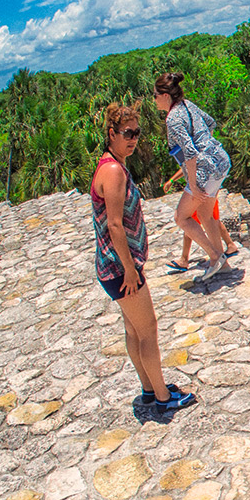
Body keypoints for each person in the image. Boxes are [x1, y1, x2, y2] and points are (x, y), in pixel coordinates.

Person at [90, 102, 196, 414]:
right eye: (127, 133)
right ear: (112, 133)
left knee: (134, 330)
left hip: (114, 267)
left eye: (137, 132)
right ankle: (164, 397)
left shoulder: (112, 165)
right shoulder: (112, 171)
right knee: (148, 329)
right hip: (120, 269)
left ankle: (149, 389)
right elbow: (114, 224)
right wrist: (130, 270)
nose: (133, 138)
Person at [155, 72, 233, 283]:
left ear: (165, 95)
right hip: (220, 162)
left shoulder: (172, 119)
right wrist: (205, 142)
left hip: (203, 170)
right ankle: (223, 265)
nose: (154, 100)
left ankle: (215, 256)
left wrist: (191, 184)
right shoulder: (188, 105)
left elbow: (188, 151)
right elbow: (210, 122)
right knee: (206, 216)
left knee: (181, 217)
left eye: (155, 95)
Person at [163, 165, 239, 272]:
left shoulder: (192, 152)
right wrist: (172, 179)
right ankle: (230, 246)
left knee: (190, 223)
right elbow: (186, 166)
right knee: (212, 220)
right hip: (206, 189)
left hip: (201, 192)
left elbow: (190, 163)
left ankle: (184, 259)